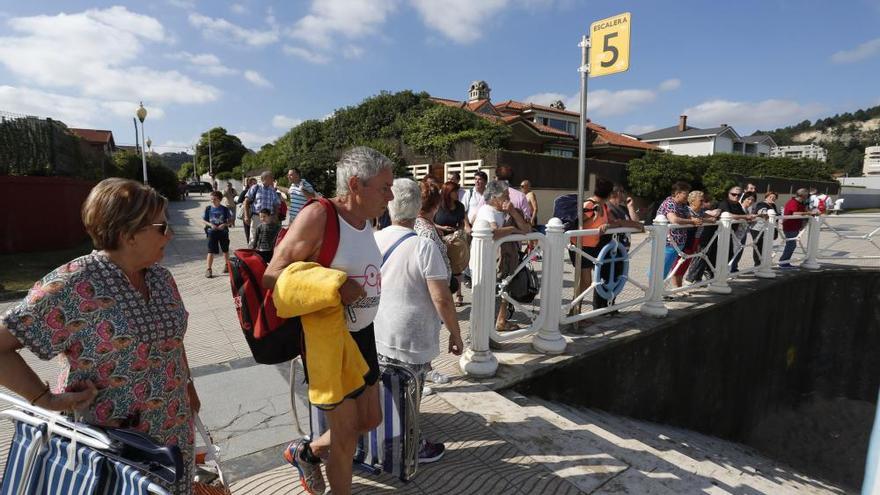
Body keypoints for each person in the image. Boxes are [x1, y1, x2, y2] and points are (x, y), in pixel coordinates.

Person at [0, 178, 198, 495]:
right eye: (162, 227)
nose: (170, 234)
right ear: (128, 234)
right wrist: (44, 399)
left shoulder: (161, 277)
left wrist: (189, 388)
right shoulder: (74, 285)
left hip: (172, 432)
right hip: (111, 447)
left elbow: (173, 340)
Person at [264, 147, 393, 495]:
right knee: (346, 438)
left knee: (370, 420)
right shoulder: (320, 216)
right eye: (384, 187)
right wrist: (333, 284)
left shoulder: (368, 219)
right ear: (355, 185)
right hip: (329, 340)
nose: (391, 195)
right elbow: (273, 275)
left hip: (362, 334)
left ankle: (307, 452)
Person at [373, 178, 464, 464]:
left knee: (386, 391)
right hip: (411, 334)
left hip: (379, 328)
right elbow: (442, 299)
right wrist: (456, 333)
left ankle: (385, 442)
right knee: (411, 393)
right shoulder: (424, 246)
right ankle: (411, 447)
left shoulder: (375, 238)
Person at [569, 178, 643, 317]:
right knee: (586, 283)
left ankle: (575, 313)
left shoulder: (603, 206)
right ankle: (574, 313)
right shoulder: (590, 204)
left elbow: (613, 222)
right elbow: (578, 223)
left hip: (592, 247)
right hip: (581, 247)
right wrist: (594, 218)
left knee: (587, 282)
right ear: (610, 194)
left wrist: (633, 224)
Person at [472, 180, 531, 332]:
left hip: (501, 262)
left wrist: (512, 213)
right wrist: (511, 230)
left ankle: (492, 332)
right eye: (505, 196)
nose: (508, 199)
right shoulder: (486, 211)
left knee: (500, 296)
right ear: (494, 198)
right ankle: (479, 338)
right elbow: (494, 232)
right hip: (485, 264)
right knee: (487, 303)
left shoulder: (507, 211)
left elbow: (526, 229)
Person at [656, 181, 702, 281]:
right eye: (686, 194)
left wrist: (694, 220)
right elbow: (674, 219)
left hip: (678, 243)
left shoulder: (683, 205)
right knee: (660, 268)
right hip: (667, 242)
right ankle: (655, 292)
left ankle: (659, 292)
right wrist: (692, 221)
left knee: (666, 268)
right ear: (677, 194)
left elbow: (691, 218)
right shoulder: (669, 203)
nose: (688, 196)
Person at [434, 181, 468, 306]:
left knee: (457, 268)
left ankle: (459, 294)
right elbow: (430, 222)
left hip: (455, 240)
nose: (457, 193)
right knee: (442, 269)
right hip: (440, 240)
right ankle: (444, 296)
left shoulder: (460, 206)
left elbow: (462, 222)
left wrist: (460, 229)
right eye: (455, 191)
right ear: (448, 193)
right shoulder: (438, 206)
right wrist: (442, 228)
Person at [671, 190, 716, 287]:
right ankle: (676, 289)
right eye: (701, 200)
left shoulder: (701, 212)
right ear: (692, 201)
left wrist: (703, 219)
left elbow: (713, 219)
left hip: (695, 239)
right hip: (686, 239)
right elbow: (693, 219)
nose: (703, 203)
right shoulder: (686, 210)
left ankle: (679, 288)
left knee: (686, 263)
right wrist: (701, 220)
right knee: (679, 263)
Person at [779, 188, 815, 269]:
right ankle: (783, 262)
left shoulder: (800, 203)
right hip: (790, 226)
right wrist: (808, 213)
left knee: (791, 244)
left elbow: (802, 212)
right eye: (807, 195)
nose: (808, 197)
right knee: (791, 245)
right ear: (803, 195)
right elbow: (794, 213)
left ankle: (784, 262)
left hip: (794, 226)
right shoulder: (793, 202)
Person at [204, 190, 233, 278]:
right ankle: (208, 269)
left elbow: (231, 221)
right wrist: (210, 225)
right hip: (212, 232)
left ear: (219, 199)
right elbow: (204, 220)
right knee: (210, 251)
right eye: (211, 199)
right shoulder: (208, 208)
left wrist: (225, 224)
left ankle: (227, 266)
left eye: (215, 199)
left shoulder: (225, 209)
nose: (212, 200)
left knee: (225, 250)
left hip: (223, 232)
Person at [243, 171, 281, 237]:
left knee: (267, 238)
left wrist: (275, 216)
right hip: (257, 218)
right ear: (265, 178)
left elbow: (276, 204)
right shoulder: (255, 187)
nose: (273, 179)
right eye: (271, 177)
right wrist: (246, 216)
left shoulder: (272, 190)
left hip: (269, 219)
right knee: (254, 238)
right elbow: (246, 202)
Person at [750, 191, 780, 266]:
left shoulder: (773, 206)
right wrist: (766, 214)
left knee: (766, 246)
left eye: (774, 198)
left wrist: (775, 231)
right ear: (766, 197)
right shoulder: (761, 204)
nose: (772, 199)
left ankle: (763, 263)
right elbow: (762, 211)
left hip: (768, 229)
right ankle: (757, 264)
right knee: (758, 247)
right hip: (758, 229)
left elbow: (775, 219)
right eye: (770, 197)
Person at [238, 177, 257, 242]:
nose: (255, 184)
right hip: (247, 213)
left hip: (255, 214)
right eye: (253, 183)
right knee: (248, 230)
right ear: (249, 184)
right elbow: (239, 201)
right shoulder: (245, 192)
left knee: (255, 231)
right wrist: (245, 203)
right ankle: (249, 244)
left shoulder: (258, 192)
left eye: (256, 183)